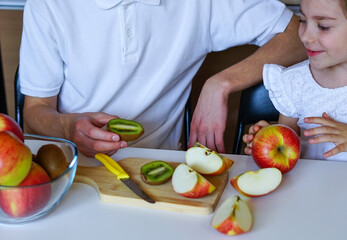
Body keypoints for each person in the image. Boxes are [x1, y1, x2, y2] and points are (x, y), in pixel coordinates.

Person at [19, 0, 306, 157]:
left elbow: (297, 35)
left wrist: (221, 83)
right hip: (72, 171)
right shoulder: (47, 5)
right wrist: (67, 127)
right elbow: (34, 113)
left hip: (162, 168)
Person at [243, 0, 347, 161]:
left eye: (323, 26)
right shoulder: (295, 81)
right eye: (303, 21)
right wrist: (271, 141)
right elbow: (288, 143)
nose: (305, 36)